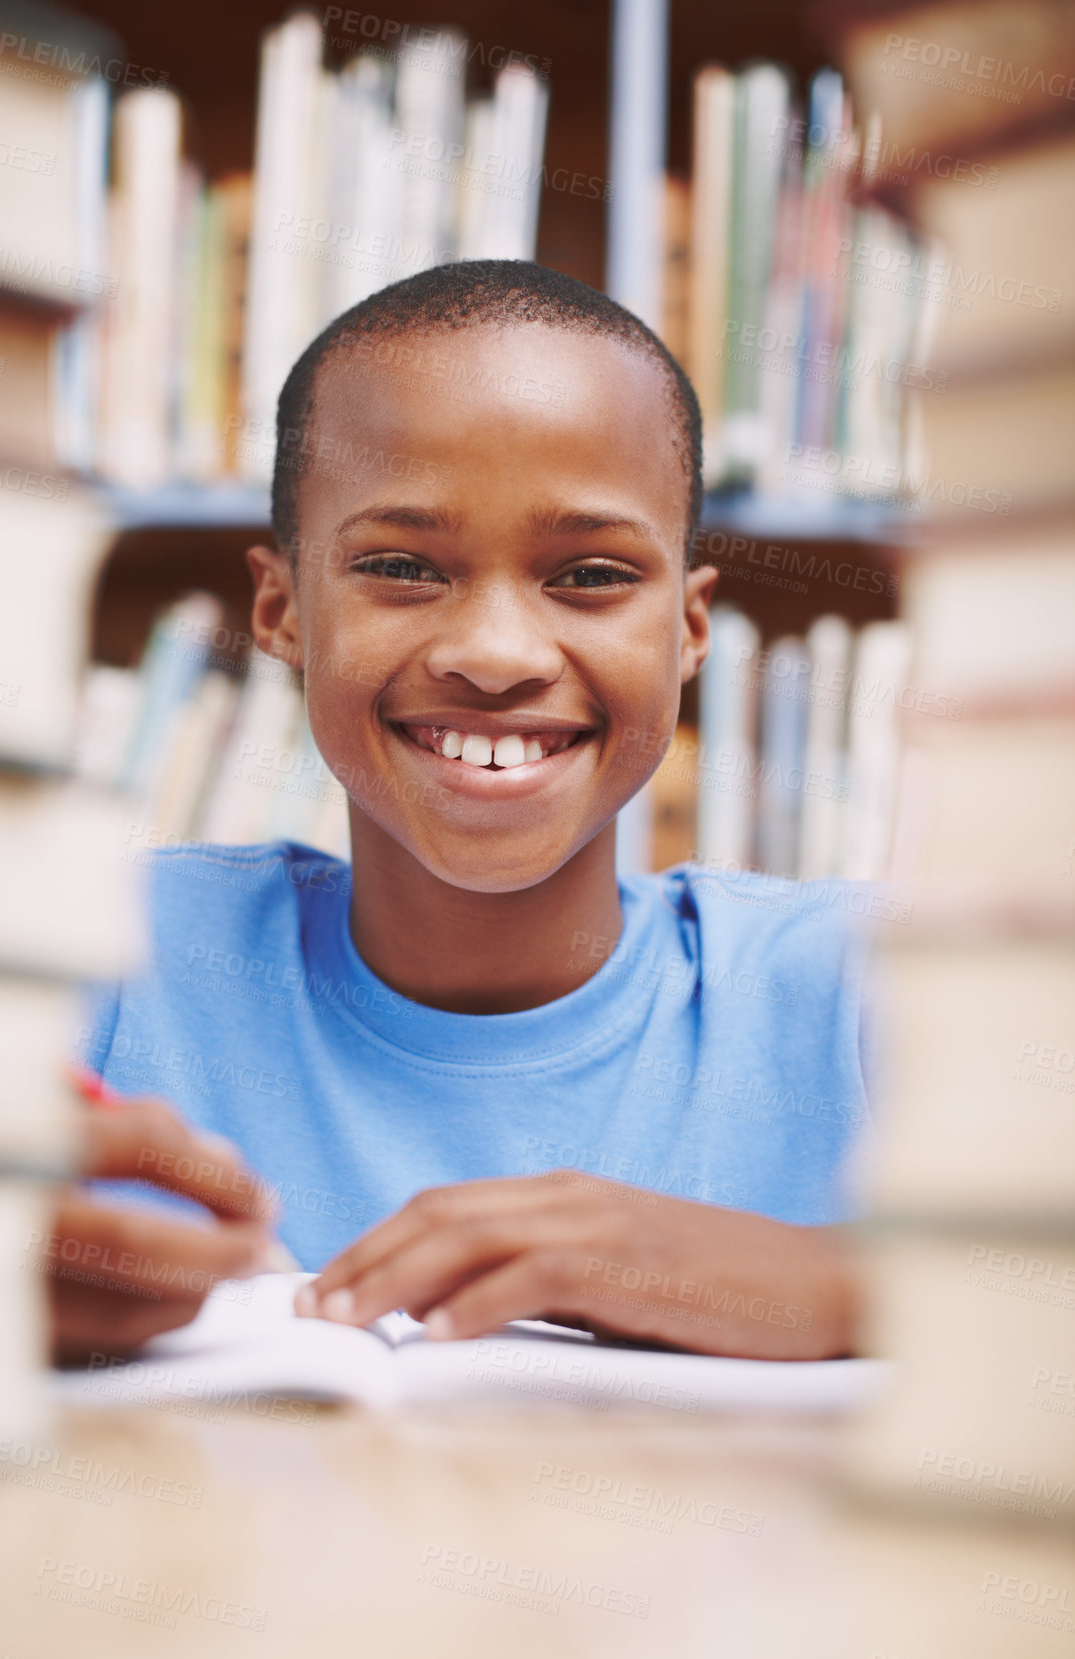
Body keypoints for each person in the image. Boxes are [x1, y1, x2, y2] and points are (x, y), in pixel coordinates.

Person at [53, 260, 869, 1365]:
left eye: (587, 574)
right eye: (400, 566)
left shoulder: (856, 990)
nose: (494, 655)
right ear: (282, 608)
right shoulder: (97, 955)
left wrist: (829, 1284)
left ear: (686, 629)